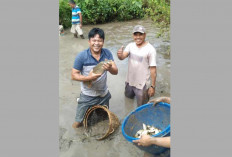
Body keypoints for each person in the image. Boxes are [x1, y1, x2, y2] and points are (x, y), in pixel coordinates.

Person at [71, 28, 118, 128]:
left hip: (103, 94)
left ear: (103, 42)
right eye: (94, 40)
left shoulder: (107, 54)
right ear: (89, 41)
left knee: (104, 118)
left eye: (100, 40)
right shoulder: (81, 56)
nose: (97, 43)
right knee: (78, 122)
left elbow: (115, 71)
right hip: (87, 95)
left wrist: (109, 68)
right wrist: (89, 78)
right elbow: (73, 75)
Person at [117, 25, 157, 106]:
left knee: (142, 106)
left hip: (142, 84)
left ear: (145, 35)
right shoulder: (130, 46)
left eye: (140, 34)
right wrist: (119, 54)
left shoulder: (150, 49)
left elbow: (153, 70)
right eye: (136, 34)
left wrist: (152, 86)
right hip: (129, 81)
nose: (138, 37)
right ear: (133, 35)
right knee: (128, 101)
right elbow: (122, 57)